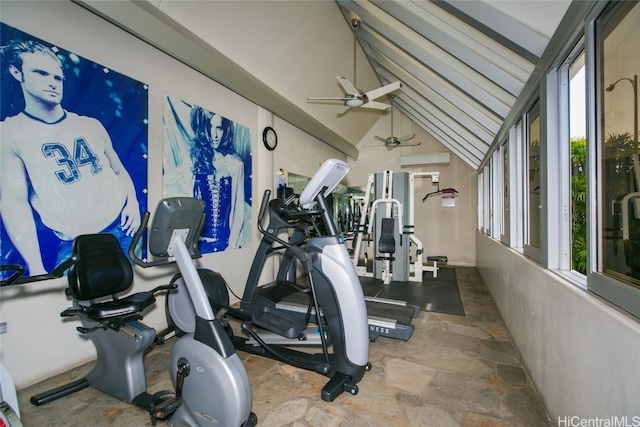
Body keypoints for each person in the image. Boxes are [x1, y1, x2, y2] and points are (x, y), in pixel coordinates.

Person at [0, 39, 140, 276]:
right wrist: (35, 265)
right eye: (41, 73)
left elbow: (118, 170)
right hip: (74, 243)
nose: (52, 83)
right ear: (17, 72)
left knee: (132, 291)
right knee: (71, 308)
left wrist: (133, 203)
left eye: (57, 77)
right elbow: (15, 202)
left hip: (122, 231)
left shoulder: (90, 125)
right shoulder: (11, 133)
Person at [189, 106, 245, 252]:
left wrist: (232, 246)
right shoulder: (194, 160)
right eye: (210, 127)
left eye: (219, 128)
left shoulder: (235, 164)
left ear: (225, 130)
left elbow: (238, 209)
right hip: (197, 245)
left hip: (224, 244)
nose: (214, 135)